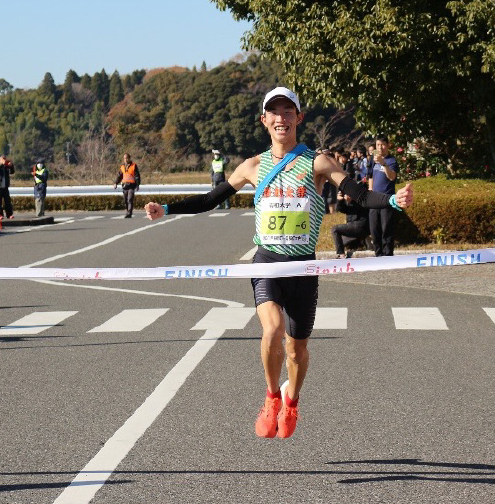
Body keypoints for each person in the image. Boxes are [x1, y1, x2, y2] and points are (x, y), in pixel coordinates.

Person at [145, 86, 413, 439]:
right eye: (274, 112)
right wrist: (166, 209)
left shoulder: (317, 162)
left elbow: (359, 193)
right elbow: (212, 199)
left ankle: (292, 401)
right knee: (271, 329)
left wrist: (392, 202)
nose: (281, 118)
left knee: (297, 348)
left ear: (299, 118)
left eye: (288, 111)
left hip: (303, 267)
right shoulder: (252, 166)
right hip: (267, 262)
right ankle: (272, 397)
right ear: (264, 120)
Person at [367, 134, 399, 256]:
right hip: (374, 198)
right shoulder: (373, 160)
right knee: (374, 229)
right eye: (378, 145)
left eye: (383, 145)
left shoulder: (392, 160)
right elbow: (370, 176)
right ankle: (378, 254)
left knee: (387, 229)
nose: (380, 148)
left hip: (387, 198)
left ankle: (387, 255)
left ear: (388, 145)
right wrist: (370, 190)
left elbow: (392, 177)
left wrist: (383, 163)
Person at [331, 190, 371, 258]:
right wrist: (340, 201)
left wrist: (352, 201)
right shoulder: (349, 201)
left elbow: (362, 209)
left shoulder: (361, 197)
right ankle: (360, 243)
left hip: (361, 226)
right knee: (342, 241)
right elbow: (341, 209)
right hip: (353, 227)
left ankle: (341, 254)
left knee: (335, 229)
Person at [114, 153, 141, 218]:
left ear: (129, 158)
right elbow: (119, 176)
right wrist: (116, 183)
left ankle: (129, 213)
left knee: (130, 199)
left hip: (131, 186)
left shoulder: (134, 165)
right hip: (124, 186)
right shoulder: (122, 166)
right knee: (125, 200)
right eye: (124, 158)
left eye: (127, 158)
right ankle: (127, 211)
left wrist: (137, 185)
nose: (126, 160)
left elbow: (137, 176)